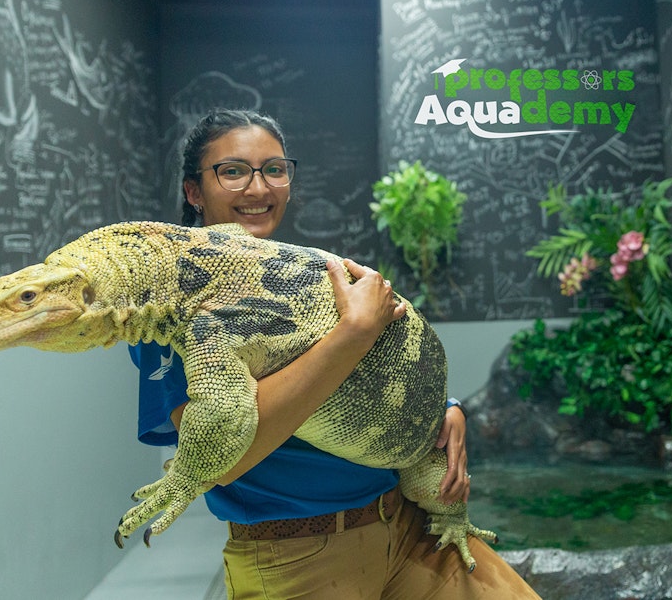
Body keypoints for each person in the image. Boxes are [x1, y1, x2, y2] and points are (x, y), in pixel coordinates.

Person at [130, 109, 540, 599]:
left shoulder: (301, 270)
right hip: (298, 558)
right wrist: (352, 334)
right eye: (233, 171)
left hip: (411, 528)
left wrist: (444, 410)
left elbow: (374, 371)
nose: (259, 189)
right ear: (193, 191)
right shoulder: (170, 314)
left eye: (274, 170)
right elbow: (223, 462)